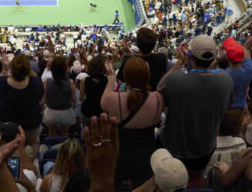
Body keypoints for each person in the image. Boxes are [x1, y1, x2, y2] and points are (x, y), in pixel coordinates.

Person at [158, 35, 234, 188]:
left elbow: (160, 86)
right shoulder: (225, 80)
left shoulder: (175, 80)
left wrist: (181, 61)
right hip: (205, 146)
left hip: (175, 146)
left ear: (189, 56)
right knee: (197, 179)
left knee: (173, 182)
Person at [101, 57, 163, 189]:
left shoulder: (114, 100)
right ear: (148, 75)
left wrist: (111, 76)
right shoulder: (158, 98)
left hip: (122, 156)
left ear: (125, 77)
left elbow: (103, 102)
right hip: (147, 156)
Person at [0, 53, 44, 148]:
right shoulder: (36, 82)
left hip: (7, 125)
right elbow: (39, 97)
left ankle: (11, 163)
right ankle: (30, 162)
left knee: (7, 147)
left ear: (12, 68)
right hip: (30, 124)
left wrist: (6, 68)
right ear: (28, 69)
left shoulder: (1, 82)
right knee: (32, 145)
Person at [213, 37, 252, 119]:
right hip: (239, 111)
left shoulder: (219, 74)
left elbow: (206, 70)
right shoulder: (248, 71)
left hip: (224, 112)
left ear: (227, 58)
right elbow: (246, 48)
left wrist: (217, 59)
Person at [117, 27, 167, 91]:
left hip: (133, 98)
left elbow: (121, 79)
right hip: (155, 96)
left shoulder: (128, 61)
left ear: (137, 44)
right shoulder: (161, 58)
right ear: (154, 45)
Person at [43, 55, 76, 136]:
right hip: (66, 113)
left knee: (51, 135)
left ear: (52, 69)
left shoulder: (46, 82)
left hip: (51, 113)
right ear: (64, 69)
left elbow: (44, 100)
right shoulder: (70, 82)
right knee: (64, 135)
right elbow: (74, 100)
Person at [80, 54, 108, 129]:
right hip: (102, 113)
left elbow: (81, 98)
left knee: (87, 134)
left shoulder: (84, 80)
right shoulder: (108, 80)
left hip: (88, 112)